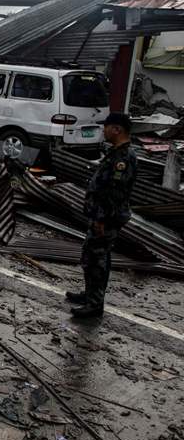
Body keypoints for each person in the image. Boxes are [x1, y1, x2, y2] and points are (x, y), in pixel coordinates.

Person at [68, 112, 137, 318]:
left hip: (107, 217)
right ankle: (90, 295)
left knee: (97, 259)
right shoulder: (116, 153)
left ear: (117, 129)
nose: (104, 131)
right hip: (102, 215)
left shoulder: (123, 158)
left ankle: (95, 304)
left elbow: (114, 193)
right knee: (92, 256)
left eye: (106, 127)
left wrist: (101, 219)